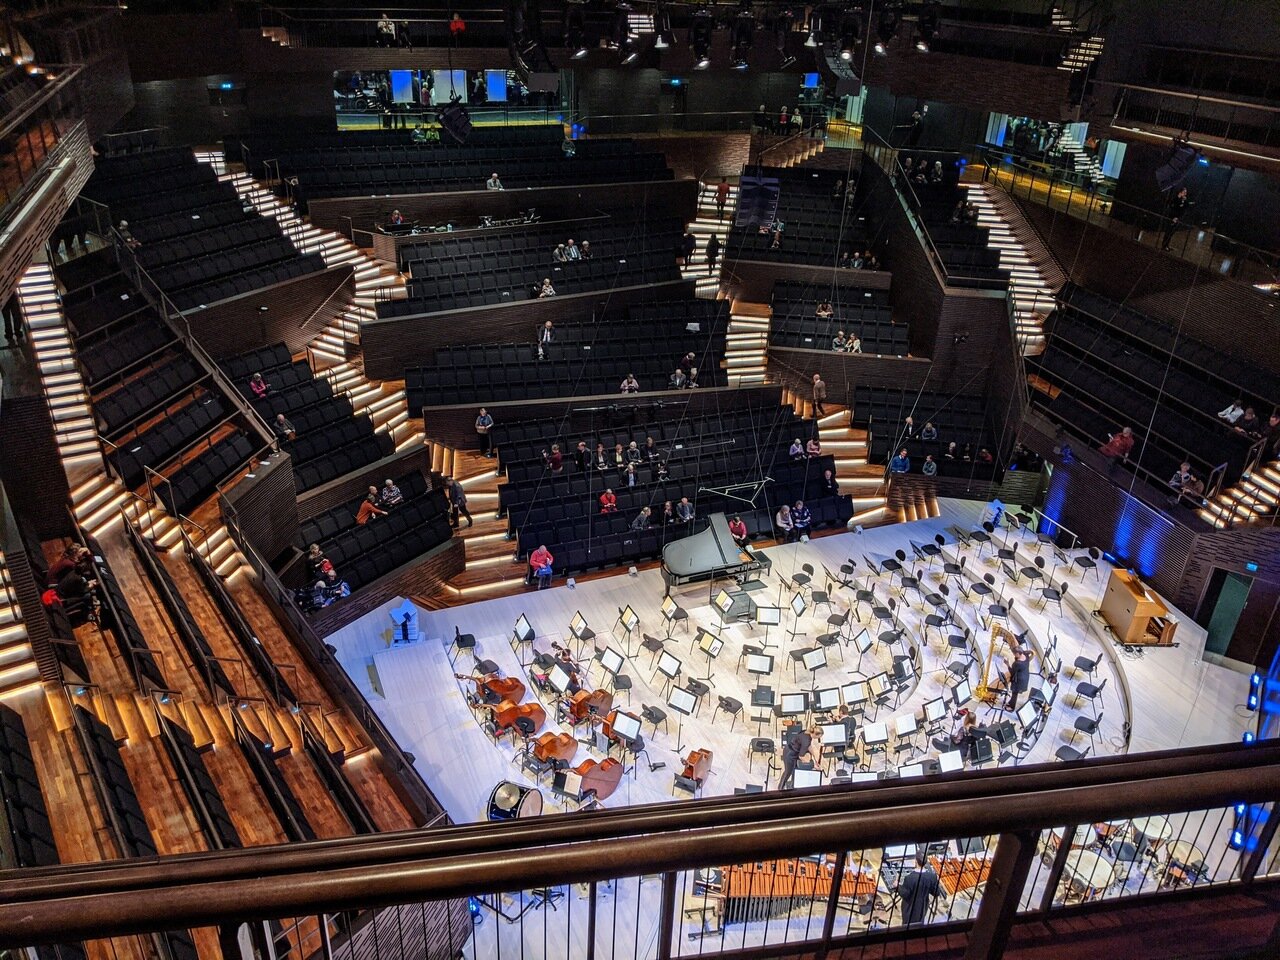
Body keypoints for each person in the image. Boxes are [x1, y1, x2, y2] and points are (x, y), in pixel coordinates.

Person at [896, 851, 943, 927]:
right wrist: (936, 882)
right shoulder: (931, 877)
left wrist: (897, 886)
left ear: (915, 861)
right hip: (922, 909)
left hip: (909, 910)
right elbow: (936, 893)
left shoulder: (909, 878)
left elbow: (905, 894)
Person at [779, 725, 821, 789]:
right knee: (788, 772)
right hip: (790, 754)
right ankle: (780, 788)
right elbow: (801, 757)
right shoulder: (806, 741)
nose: (818, 738)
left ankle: (792, 785)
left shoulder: (807, 732)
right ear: (815, 734)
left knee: (795, 769)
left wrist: (815, 759)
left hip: (791, 749)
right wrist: (812, 765)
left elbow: (809, 746)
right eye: (819, 736)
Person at [1161, 186, 1190, 251]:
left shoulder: (1183, 200)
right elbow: (1172, 208)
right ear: (1180, 192)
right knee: (1168, 233)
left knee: (1171, 233)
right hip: (1171, 218)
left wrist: (1185, 201)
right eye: (1184, 192)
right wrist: (1173, 217)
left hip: (1177, 218)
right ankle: (1164, 245)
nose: (1185, 194)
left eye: (1186, 192)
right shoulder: (1175, 199)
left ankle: (1167, 245)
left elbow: (1186, 207)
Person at [1005, 646, 1031, 711]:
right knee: (1014, 693)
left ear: (1017, 654)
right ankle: (1011, 702)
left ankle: (1012, 707)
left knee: (1014, 693)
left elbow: (1012, 672)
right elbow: (1030, 652)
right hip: (1025, 676)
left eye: (1014, 653)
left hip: (1019, 681)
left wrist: (1007, 664)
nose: (1013, 655)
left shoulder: (1017, 663)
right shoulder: (1026, 655)